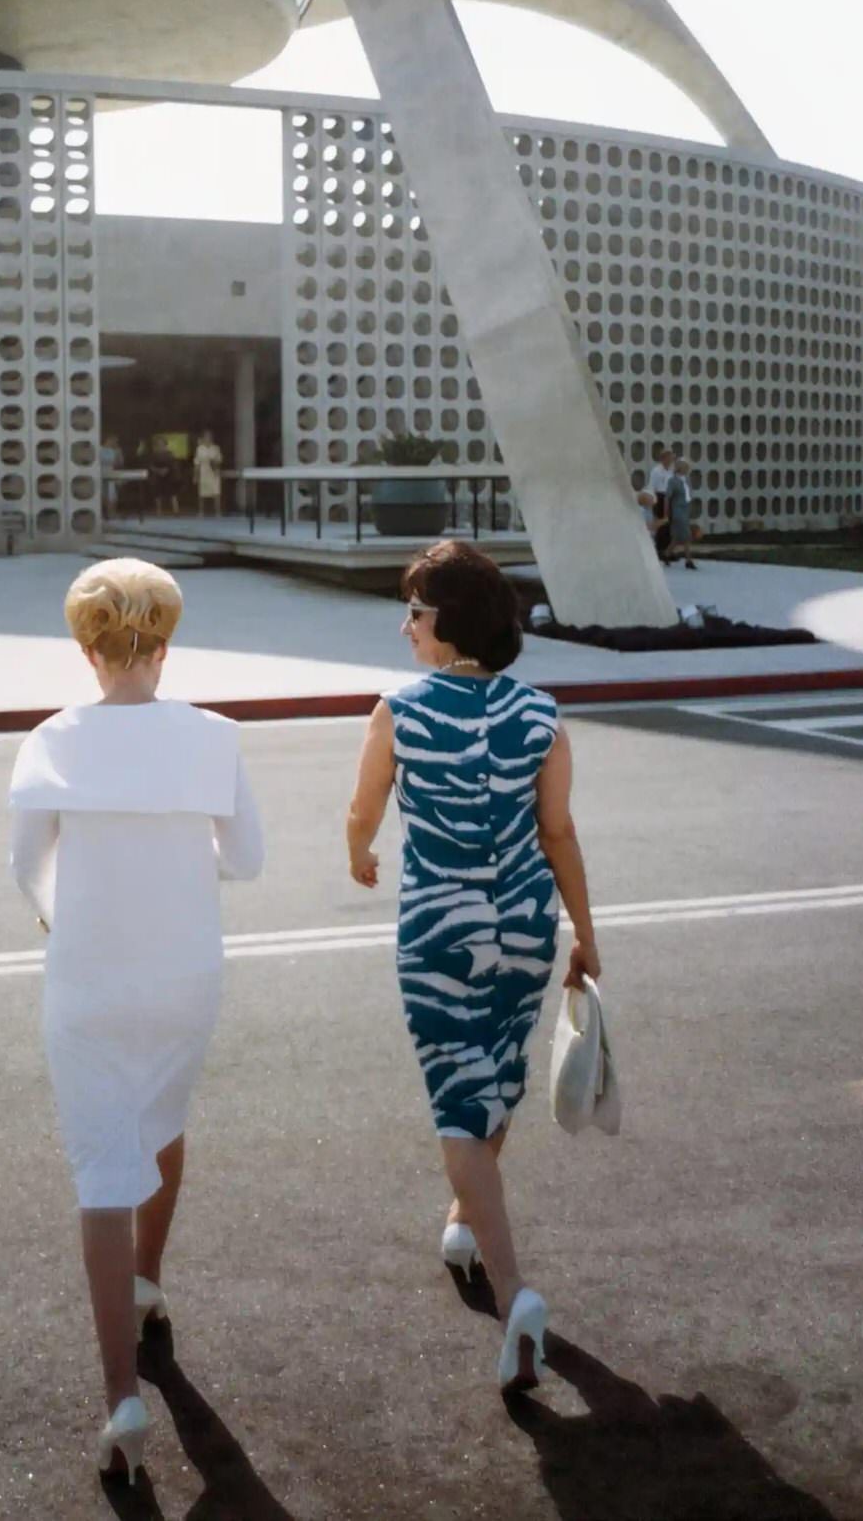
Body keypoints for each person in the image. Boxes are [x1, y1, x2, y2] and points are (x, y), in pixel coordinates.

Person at [8, 559, 264, 1483]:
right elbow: (248, 860)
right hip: (185, 974)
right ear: (167, 641)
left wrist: (67, 910)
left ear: (87, 649)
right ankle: (150, 1278)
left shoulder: (49, 739)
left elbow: (27, 868)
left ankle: (122, 1396)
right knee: (166, 1120)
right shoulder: (214, 738)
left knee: (99, 1171)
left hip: (89, 978)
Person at [343, 539, 602, 1394]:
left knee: (458, 1101)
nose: (405, 626)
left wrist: (359, 852)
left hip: (441, 928)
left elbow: (363, 809)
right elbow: (557, 832)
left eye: (414, 612)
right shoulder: (540, 714)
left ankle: (515, 1290)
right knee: (496, 1078)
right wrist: (584, 932)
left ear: (446, 624)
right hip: (525, 922)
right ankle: (464, 1221)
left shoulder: (400, 710)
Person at [667, 457, 696, 568]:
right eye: (685, 467)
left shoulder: (687, 480)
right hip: (678, 510)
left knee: (677, 537)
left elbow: (688, 494)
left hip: (685, 509)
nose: (687, 469)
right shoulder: (672, 481)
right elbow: (668, 497)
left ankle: (666, 554)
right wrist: (667, 513)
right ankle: (688, 560)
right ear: (679, 468)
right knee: (687, 535)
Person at [645, 446, 674, 558]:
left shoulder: (671, 471)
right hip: (659, 497)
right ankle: (659, 550)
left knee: (669, 524)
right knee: (661, 524)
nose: (671, 459)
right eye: (669, 457)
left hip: (669, 498)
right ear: (664, 458)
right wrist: (654, 501)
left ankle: (667, 550)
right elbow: (652, 486)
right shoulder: (656, 471)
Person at [192, 428, 223, 516]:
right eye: (206, 436)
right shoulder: (199, 449)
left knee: (216, 492)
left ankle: (218, 512)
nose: (208, 438)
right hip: (203, 472)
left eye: (209, 436)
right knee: (202, 493)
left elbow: (219, 460)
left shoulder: (216, 448)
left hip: (214, 472)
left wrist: (214, 461)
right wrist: (195, 476)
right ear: (203, 438)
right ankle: (201, 512)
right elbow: (197, 463)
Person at [99, 432, 124, 517]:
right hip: (100, 473)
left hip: (111, 473)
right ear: (108, 440)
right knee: (102, 495)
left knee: (112, 495)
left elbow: (119, 464)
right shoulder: (99, 449)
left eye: (116, 441)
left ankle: (112, 513)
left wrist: (119, 454)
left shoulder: (114, 451)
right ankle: (103, 514)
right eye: (114, 441)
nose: (115, 443)